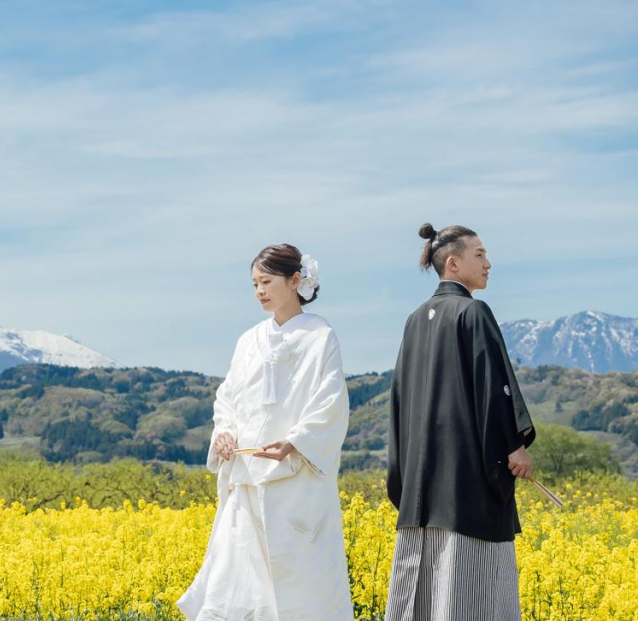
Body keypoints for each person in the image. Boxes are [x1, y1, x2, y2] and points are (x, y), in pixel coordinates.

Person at [178, 243, 354, 621]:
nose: (259, 291)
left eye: (266, 281)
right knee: (237, 577)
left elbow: (332, 400)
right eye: (255, 283)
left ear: (295, 280)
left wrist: (295, 441)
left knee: (303, 581)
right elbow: (228, 398)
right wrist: (224, 432)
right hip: (246, 476)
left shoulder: (320, 335)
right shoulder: (248, 341)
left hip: (297, 477)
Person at [385, 224, 536, 621]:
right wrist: (513, 445)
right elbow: (493, 384)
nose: (489, 264)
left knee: (421, 590)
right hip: (465, 482)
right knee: (469, 589)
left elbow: (399, 400)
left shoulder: (414, 320)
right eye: (480, 255)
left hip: (420, 483)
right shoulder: (473, 312)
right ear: (453, 263)